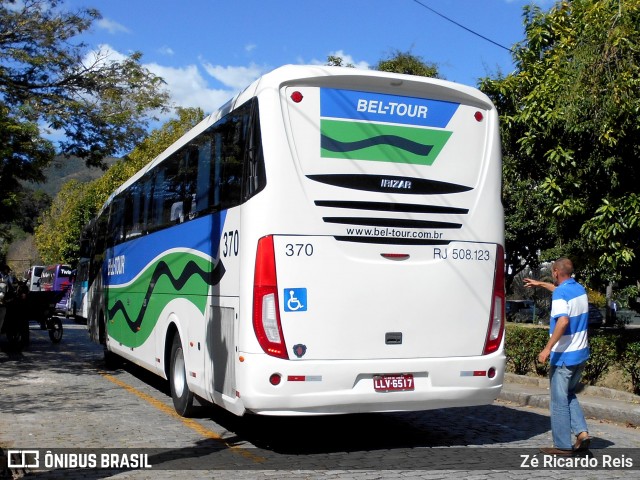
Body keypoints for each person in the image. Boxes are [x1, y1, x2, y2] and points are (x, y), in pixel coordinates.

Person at [524, 258, 591, 455]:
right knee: (568, 394)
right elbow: (559, 291)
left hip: (564, 357)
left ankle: (562, 445)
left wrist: (547, 349)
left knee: (558, 400)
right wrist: (541, 284)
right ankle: (582, 433)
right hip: (581, 354)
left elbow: (562, 322)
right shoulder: (578, 289)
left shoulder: (562, 293)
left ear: (555, 272)